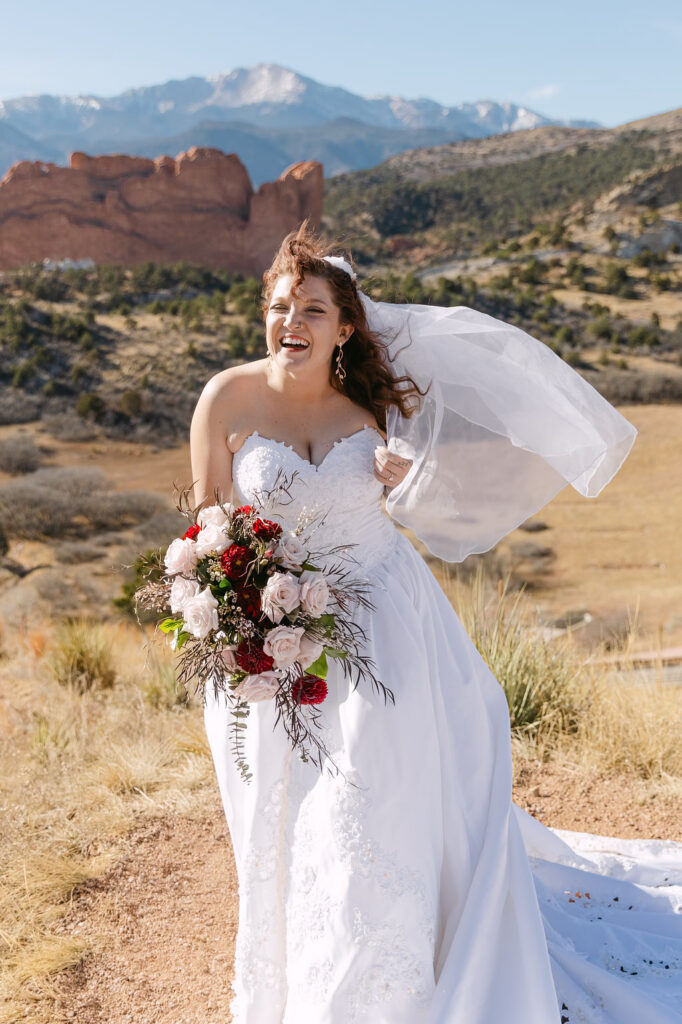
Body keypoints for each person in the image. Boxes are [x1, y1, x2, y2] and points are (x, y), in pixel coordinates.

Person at [191, 222, 682, 1024]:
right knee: (294, 812)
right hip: (271, 632)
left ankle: (389, 981)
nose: (293, 323)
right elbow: (205, 517)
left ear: (344, 326)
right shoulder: (228, 399)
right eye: (281, 306)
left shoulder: (371, 402)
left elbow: (431, 500)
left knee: (376, 799)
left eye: (313, 308)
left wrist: (405, 476)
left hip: (387, 623)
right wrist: (234, 594)